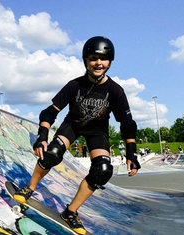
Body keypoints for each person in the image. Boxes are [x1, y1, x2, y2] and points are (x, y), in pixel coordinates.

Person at [13, 36, 140, 235]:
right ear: (86, 61)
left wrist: (131, 153)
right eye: (93, 58)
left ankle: (70, 211)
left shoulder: (115, 91)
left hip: (97, 132)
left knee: (103, 171)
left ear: (110, 61)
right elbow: (49, 112)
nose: (99, 63)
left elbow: (127, 124)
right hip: (72, 125)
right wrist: (42, 135)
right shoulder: (75, 85)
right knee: (52, 153)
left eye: (103, 59)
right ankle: (29, 188)